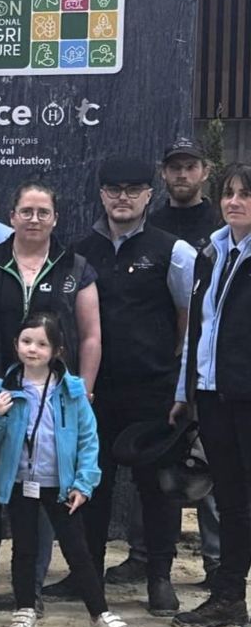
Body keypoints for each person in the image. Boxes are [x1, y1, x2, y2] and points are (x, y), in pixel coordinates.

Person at [0, 181, 101, 615]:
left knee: (43, 497)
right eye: (25, 210)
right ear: (10, 216)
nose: (33, 219)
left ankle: (29, 593)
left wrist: (81, 391)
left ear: (55, 219)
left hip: (54, 403)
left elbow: (90, 335)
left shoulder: (75, 267)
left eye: (42, 212)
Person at [58, 158, 195, 615]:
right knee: (90, 485)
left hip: (152, 389)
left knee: (156, 487)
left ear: (147, 195)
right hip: (94, 390)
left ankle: (159, 577)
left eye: (132, 189)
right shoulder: (79, 251)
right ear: (100, 194)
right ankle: (86, 574)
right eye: (113, 189)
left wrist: (175, 379)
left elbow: (188, 316)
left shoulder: (171, 250)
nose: (122, 197)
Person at [0, 312, 136, 627]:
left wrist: (83, 483)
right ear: (15, 345)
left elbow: (88, 439)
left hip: (61, 485)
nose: (32, 350)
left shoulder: (73, 391)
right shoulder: (3, 389)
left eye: (41, 344)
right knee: (24, 547)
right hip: (21, 482)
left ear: (57, 351)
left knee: (77, 549)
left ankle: (99, 613)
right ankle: (25, 608)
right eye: (26, 342)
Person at [110, 137, 222, 588]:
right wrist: (177, 358)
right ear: (162, 175)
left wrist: (191, 356)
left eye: (190, 166)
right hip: (166, 373)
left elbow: (193, 309)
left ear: (204, 172)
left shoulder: (221, 220)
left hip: (213, 363)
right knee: (153, 464)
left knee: (209, 463)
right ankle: (143, 557)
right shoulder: (151, 226)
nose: (182, 174)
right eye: (174, 167)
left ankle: (217, 563)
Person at [171, 163, 251, 627]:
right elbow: (199, 331)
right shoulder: (212, 252)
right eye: (229, 193)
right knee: (234, 502)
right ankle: (228, 597)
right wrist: (186, 392)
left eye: (245, 194)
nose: (235, 201)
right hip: (213, 395)